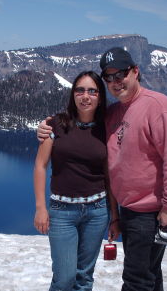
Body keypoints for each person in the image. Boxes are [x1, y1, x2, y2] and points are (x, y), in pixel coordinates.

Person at [37, 47, 167, 291]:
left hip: (149, 212)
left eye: (120, 74)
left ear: (136, 72)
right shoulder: (113, 113)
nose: (115, 82)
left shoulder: (158, 106)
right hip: (127, 209)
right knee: (149, 275)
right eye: (109, 77)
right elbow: (81, 126)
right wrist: (45, 127)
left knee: (136, 280)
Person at [34, 70, 120, 291]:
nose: (86, 96)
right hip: (62, 212)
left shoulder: (106, 129)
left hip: (97, 211)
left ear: (100, 96)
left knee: (84, 278)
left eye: (92, 91)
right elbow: (40, 166)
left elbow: (109, 176)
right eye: (80, 90)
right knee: (64, 279)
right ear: (73, 94)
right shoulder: (55, 124)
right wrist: (41, 208)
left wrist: (114, 216)